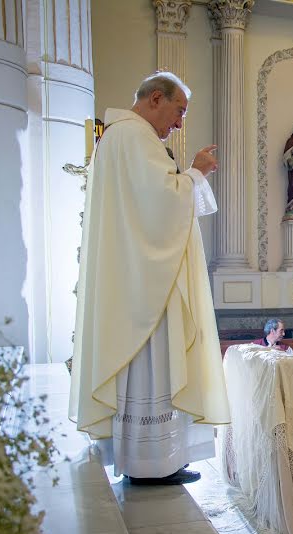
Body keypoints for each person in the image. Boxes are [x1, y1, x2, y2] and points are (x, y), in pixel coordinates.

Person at [69, 72, 228, 485]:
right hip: (145, 284)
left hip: (138, 277)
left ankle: (155, 458)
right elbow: (161, 205)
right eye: (179, 112)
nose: (178, 124)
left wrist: (189, 176)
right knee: (152, 365)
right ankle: (151, 463)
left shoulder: (122, 138)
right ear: (156, 98)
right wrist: (196, 172)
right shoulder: (134, 137)